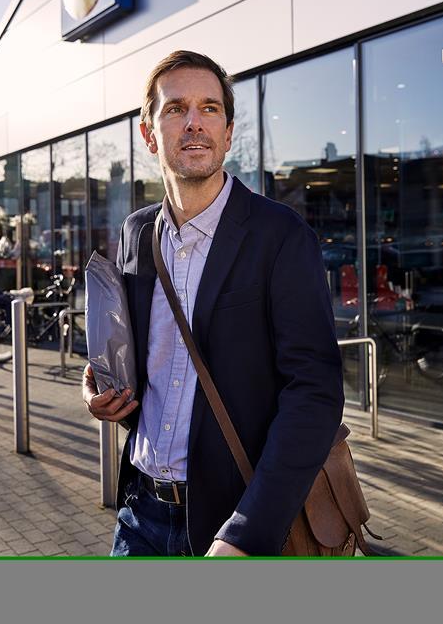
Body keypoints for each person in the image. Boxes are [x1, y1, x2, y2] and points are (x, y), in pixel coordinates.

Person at [82, 50, 344, 557]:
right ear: (149, 133)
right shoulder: (136, 234)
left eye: (210, 109)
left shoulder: (281, 236)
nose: (194, 124)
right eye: (176, 109)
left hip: (233, 521)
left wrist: (247, 532)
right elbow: (133, 355)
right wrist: (95, 388)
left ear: (228, 131)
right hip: (139, 512)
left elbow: (314, 392)